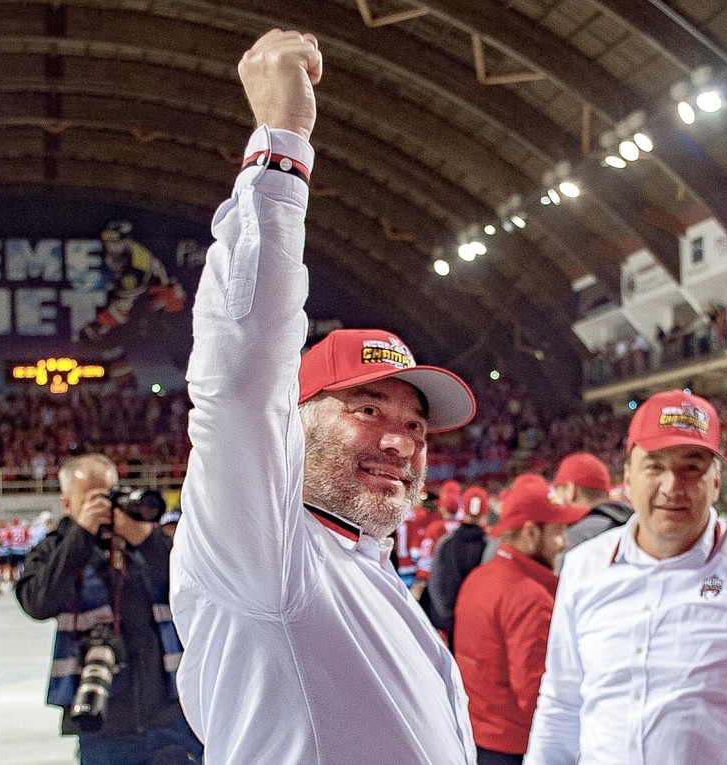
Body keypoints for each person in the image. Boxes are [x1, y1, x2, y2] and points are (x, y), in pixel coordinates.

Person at [170, 31, 477, 764]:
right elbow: (240, 376)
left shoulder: (363, 561)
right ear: (294, 423)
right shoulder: (268, 555)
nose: (401, 441)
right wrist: (282, 149)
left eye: (416, 425)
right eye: (367, 408)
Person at [526, 390, 727, 764]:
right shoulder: (584, 566)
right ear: (627, 478)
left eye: (691, 467)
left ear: (716, 481)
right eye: (654, 466)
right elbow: (562, 703)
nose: (671, 485)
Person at [16, 454, 201, 764]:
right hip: (103, 724)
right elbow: (37, 602)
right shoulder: (55, 547)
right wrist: (80, 536)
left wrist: (146, 539)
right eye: (91, 499)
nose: (104, 506)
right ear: (67, 504)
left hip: (171, 716)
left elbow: (194, 586)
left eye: (109, 494)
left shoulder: (143, 540)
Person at [454, 474, 586, 765]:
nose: (564, 542)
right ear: (530, 533)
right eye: (558, 531)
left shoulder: (479, 577)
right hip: (515, 746)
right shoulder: (530, 597)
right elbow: (538, 696)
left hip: (477, 735)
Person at [426, 484, 490, 646]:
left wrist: (450, 623)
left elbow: (436, 586)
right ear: (485, 513)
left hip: (452, 627)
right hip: (480, 629)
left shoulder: (446, 543)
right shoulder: (491, 546)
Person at [549, 451, 631, 550]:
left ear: (572, 490)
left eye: (558, 491)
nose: (556, 498)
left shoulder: (574, 537)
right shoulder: (633, 521)